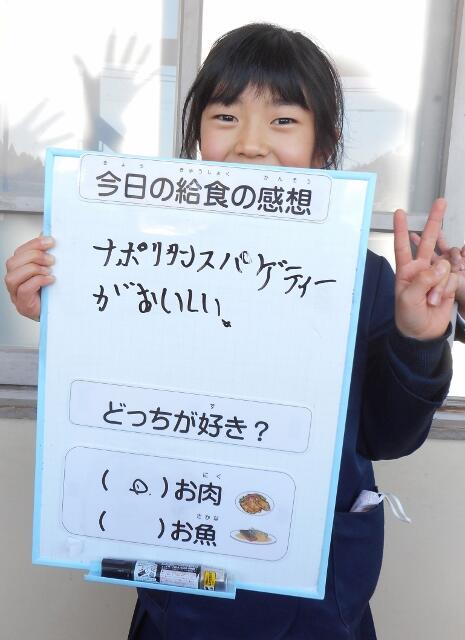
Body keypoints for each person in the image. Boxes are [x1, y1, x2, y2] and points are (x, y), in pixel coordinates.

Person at [4, 22, 465, 640]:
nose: (250, 144)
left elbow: (390, 435)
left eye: (283, 121)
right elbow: (113, 406)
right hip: (181, 576)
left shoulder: (370, 277)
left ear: (323, 147)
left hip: (316, 595)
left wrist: (418, 336)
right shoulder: (148, 266)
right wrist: (67, 314)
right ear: (197, 137)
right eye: (225, 117)